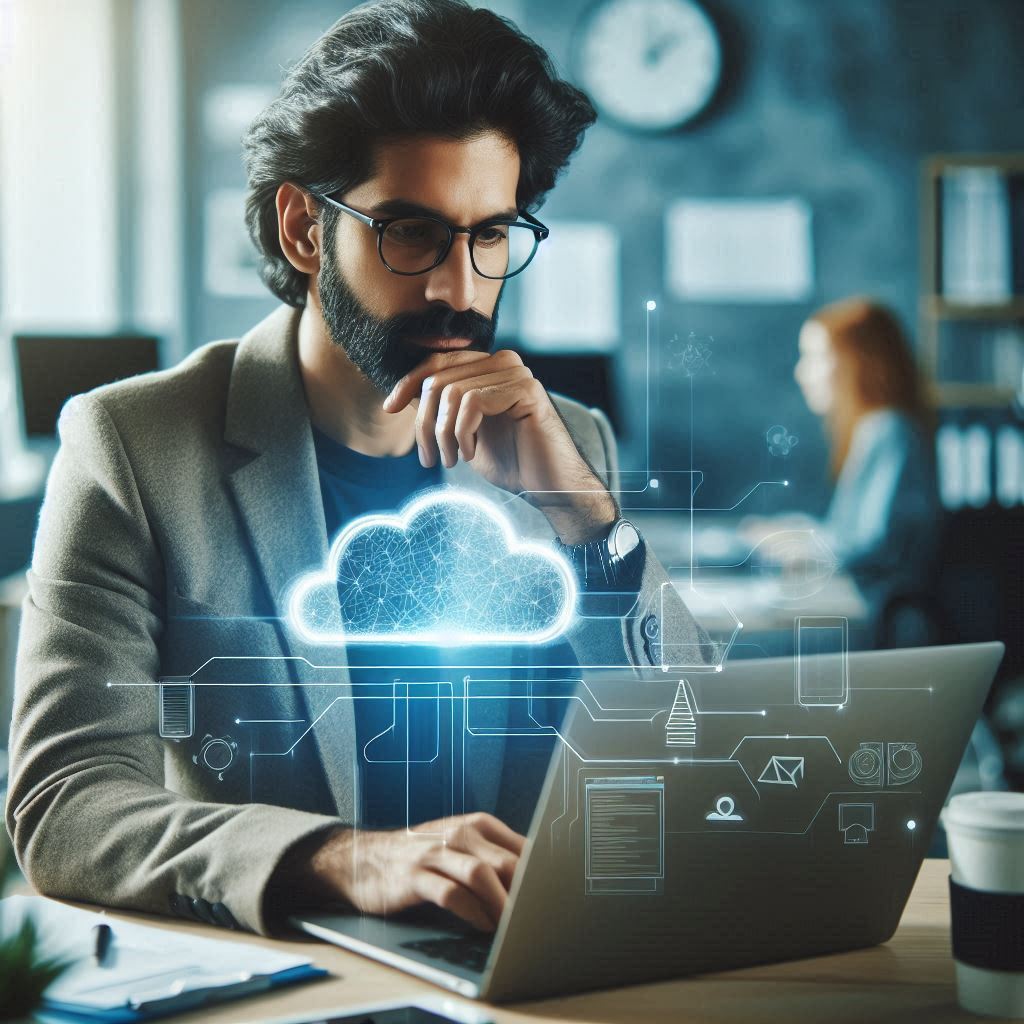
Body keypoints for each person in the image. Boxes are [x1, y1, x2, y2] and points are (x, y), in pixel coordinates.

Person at [6, 0, 709, 939]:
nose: (459, 287)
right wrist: (348, 859)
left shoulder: (571, 440)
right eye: (409, 233)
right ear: (303, 229)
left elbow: (685, 746)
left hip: (529, 974)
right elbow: (67, 803)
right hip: (295, 979)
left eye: (492, 234)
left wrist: (584, 518)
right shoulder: (133, 445)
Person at [750, 297, 942, 642]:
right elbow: (851, 532)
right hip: (871, 613)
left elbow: (869, 546)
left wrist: (800, 544)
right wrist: (797, 531)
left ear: (857, 362)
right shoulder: (877, 427)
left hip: (883, 622)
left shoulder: (886, 428)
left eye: (815, 357)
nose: (801, 372)